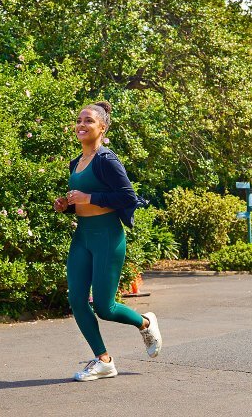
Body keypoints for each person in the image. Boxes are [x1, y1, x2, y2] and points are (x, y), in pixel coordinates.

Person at [53, 101, 162, 382]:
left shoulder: (107, 160)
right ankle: (104, 361)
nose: (81, 125)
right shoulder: (75, 163)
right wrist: (66, 206)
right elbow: (82, 202)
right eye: (79, 120)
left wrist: (89, 198)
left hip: (108, 236)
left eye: (88, 121)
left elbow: (128, 198)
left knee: (104, 307)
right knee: (76, 299)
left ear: (102, 127)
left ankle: (146, 322)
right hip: (83, 236)